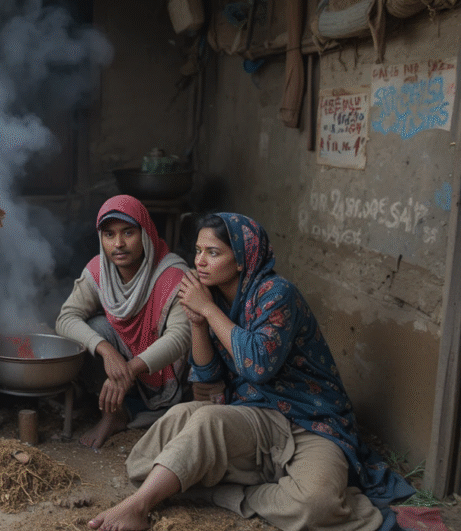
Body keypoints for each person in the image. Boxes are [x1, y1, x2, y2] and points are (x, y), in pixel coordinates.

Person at [87, 213, 414, 531]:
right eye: (198, 251)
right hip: (252, 414)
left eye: (213, 253)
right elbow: (209, 384)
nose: (200, 261)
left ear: (242, 259)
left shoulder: (276, 294)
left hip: (310, 421)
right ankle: (227, 479)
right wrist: (198, 324)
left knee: (317, 505)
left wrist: (208, 311)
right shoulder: (211, 298)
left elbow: (258, 366)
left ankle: (167, 501)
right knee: (147, 459)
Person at [56, 195, 191, 450]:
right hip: (121, 369)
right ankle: (114, 413)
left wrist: (129, 369)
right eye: (109, 234)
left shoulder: (173, 275)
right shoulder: (99, 271)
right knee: (94, 330)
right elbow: (66, 318)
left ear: (146, 233)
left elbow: (180, 338)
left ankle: (122, 411)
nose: (118, 244)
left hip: (163, 373)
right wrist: (107, 352)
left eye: (128, 233)